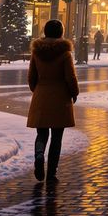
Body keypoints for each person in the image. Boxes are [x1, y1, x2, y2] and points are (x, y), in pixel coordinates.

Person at [27, 19, 78, 184]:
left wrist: (38, 90)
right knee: (57, 137)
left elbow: (31, 77)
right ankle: (51, 174)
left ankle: (39, 154)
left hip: (41, 95)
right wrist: (74, 92)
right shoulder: (65, 53)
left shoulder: (37, 52)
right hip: (60, 97)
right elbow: (70, 77)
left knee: (41, 133)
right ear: (61, 33)